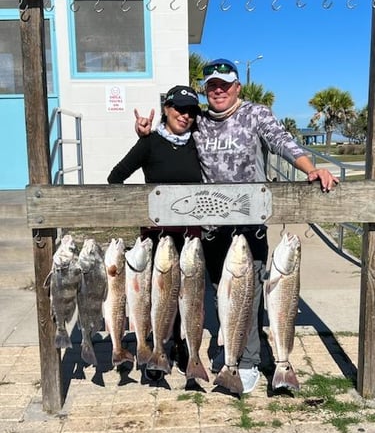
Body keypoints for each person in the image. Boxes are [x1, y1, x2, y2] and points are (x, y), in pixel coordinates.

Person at [134, 59, 339, 395]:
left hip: (249, 223)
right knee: (218, 294)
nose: (218, 91)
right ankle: (224, 350)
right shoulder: (198, 120)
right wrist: (147, 135)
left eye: (225, 85)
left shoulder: (256, 114)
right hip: (212, 225)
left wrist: (309, 168)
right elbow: (173, 135)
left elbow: (283, 142)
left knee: (251, 294)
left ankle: (248, 361)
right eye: (212, 85)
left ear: (236, 88)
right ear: (206, 89)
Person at [108, 85, 202, 380]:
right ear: (166, 109)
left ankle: (183, 345)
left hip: (189, 237)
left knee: (187, 296)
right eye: (179, 109)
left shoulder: (200, 142)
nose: (184, 116)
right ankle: (154, 346)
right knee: (154, 295)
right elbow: (116, 176)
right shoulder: (150, 143)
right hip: (157, 238)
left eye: (190, 112)